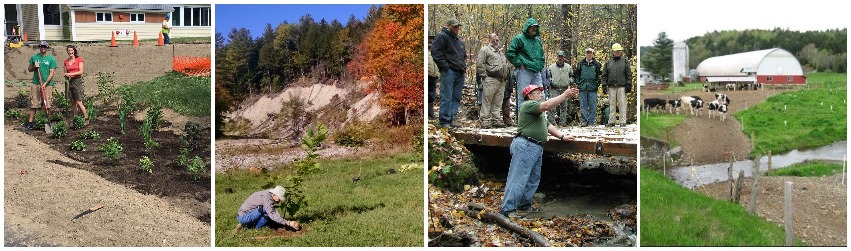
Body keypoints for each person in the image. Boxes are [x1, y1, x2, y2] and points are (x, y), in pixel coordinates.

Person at [500, 84, 578, 217]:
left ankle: (524, 205)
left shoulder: (538, 112)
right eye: (538, 93)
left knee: (533, 179)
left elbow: (548, 126)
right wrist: (565, 95)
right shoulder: (528, 105)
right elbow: (547, 105)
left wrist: (562, 136)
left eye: (541, 92)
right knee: (518, 178)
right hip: (525, 145)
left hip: (535, 147)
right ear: (530, 96)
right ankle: (507, 209)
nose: (541, 95)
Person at [506, 18, 545, 118]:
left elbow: (541, 56)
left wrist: (540, 65)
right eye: (532, 27)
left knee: (541, 96)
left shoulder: (537, 42)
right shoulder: (519, 39)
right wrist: (520, 64)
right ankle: (523, 122)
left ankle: (540, 121)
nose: (534, 29)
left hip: (536, 71)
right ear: (527, 27)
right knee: (523, 96)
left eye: (535, 27)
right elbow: (511, 53)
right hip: (524, 71)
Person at [431, 19, 467, 128]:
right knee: (447, 96)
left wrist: (464, 67)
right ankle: (444, 121)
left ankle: (450, 119)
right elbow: (436, 52)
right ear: (448, 26)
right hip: (449, 71)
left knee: (456, 97)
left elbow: (463, 56)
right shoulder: (442, 36)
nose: (457, 28)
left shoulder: (459, 41)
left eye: (458, 26)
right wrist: (445, 67)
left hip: (460, 72)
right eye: (455, 26)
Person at [476, 33, 510, 128]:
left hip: (501, 80)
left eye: (497, 40)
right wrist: (484, 76)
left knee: (498, 102)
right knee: (487, 101)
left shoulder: (500, 53)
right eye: (494, 39)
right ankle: (485, 120)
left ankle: (496, 120)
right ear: (489, 39)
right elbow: (480, 63)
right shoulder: (485, 50)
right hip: (490, 78)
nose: (496, 41)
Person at [25, 41, 58, 130]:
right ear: (39, 47)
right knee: (34, 103)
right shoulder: (34, 57)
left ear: (47, 48)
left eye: (45, 46)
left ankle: (49, 121)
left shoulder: (51, 59)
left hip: (48, 84)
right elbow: (29, 69)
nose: (43, 48)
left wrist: (45, 84)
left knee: (48, 103)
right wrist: (35, 66)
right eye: (41, 46)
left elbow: (51, 73)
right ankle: (30, 123)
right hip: (36, 83)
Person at [236, 186, 301, 230]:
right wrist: (288, 223)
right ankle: (254, 228)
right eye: (279, 198)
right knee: (266, 210)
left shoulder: (268, 194)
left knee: (267, 210)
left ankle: (250, 226)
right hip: (244, 217)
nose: (280, 201)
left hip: (247, 215)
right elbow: (272, 214)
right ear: (274, 194)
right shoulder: (267, 198)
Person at [602, 43, 632, 127]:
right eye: (616, 51)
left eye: (619, 51)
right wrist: (604, 85)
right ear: (613, 52)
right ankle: (611, 121)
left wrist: (629, 84)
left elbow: (628, 74)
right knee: (612, 105)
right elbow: (604, 75)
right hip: (611, 87)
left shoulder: (625, 61)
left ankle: (623, 121)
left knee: (622, 104)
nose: (618, 52)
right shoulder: (608, 62)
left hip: (622, 86)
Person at [574, 48, 602, 127]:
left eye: (590, 53)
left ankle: (591, 121)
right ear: (585, 54)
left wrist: (597, 83)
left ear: (593, 54)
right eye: (588, 53)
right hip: (582, 87)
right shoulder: (580, 64)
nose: (589, 54)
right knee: (583, 105)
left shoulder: (597, 64)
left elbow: (600, 75)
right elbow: (576, 74)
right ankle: (584, 121)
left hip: (593, 87)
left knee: (593, 105)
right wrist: (578, 83)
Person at [548, 50, 574, 126]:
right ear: (557, 57)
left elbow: (572, 76)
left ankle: (563, 122)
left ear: (564, 57)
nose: (560, 58)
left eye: (562, 57)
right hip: (554, 88)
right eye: (559, 56)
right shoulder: (551, 67)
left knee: (564, 106)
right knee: (552, 106)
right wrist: (550, 82)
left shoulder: (568, 67)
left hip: (564, 88)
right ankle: (551, 122)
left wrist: (570, 81)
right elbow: (548, 77)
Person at [64, 45, 88, 126]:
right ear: (67, 52)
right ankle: (76, 118)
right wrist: (66, 76)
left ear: (74, 51)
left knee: (79, 101)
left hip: (77, 81)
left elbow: (81, 72)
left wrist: (70, 74)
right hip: (69, 82)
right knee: (73, 101)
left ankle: (86, 119)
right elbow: (65, 72)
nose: (70, 52)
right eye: (69, 51)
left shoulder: (79, 59)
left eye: (71, 50)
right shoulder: (66, 61)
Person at [427, 35, 439, 120]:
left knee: (431, 95)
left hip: (433, 76)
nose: (431, 41)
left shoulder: (435, 51)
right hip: (427, 74)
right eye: (429, 39)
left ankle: (430, 114)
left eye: (432, 40)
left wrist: (438, 74)